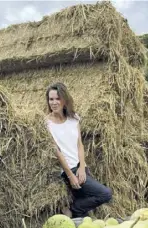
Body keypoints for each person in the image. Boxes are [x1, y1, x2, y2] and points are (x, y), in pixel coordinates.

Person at [45, 82, 112, 219]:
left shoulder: (74, 118)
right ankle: (74, 208)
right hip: (67, 170)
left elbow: (79, 144)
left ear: (65, 100)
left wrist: (82, 166)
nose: (54, 102)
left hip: (80, 168)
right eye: (51, 99)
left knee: (86, 212)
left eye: (58, 99)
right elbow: (56, 151)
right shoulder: (47, 123)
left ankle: (77, 213)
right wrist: (71, 175)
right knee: (105, 194)